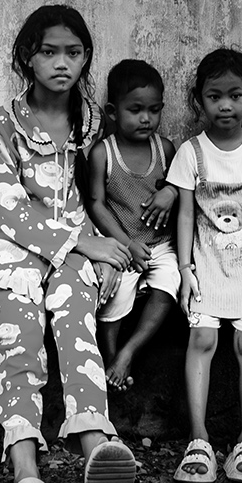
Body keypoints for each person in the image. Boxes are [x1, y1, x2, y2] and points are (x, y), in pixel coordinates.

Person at [0, 4, 137, 483]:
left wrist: (102, 249)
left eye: (73, 52)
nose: (61, 63)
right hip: (12, 250)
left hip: (73, 248)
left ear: (86, 58)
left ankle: (95, 444)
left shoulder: (89, 122)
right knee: (17, 342)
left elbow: (89, 194)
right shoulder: (4, 123)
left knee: (76, 325)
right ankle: (27, 476)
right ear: (28, 57)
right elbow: (8, 206)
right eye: (49, 52)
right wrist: (82, 244)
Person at [169, 47, 242, 483]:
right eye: (214, 96)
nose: (225, 106)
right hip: (206, 264)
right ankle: (198, 440)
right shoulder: (191, 153)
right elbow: (185, 214)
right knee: (202, 339)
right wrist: (185, 271)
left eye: (235, 96)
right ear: (199, 100)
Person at [84, 59, 181, 393]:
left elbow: (182, 186)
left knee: (169, 284)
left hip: (161, 244)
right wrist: (125, 243)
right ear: (113, 112)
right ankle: (111, 356)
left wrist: (171, 191)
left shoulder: (165, 149)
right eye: (136, 110)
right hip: (122, 244)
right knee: (115, 297)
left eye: (154, 110)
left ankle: (129, 352)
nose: (146, 119)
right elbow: (95, 204)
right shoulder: (103, 153)